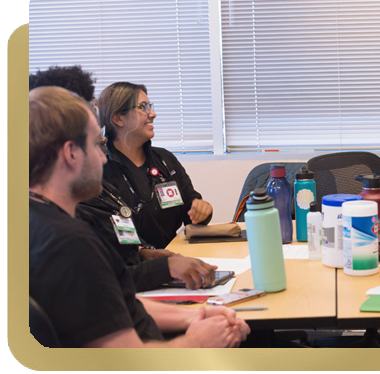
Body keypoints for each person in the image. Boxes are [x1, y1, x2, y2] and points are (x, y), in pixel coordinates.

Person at [29, 86, 250, 348]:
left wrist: (192, 317)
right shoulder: (70, 243)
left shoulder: (32, 220)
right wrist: (196, 342)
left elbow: (118, 302)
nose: (103, 157)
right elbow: (129, 365)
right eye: (97, 145)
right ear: (71, 153)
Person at [29, 66, 217, 291]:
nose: (103, 157)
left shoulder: (163, 160)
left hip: (160, 271)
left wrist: (142, 253)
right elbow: (107, 284)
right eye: (143, 107)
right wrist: (163, 266)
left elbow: (119, 255)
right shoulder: (69, 220)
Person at [97, 81, 213, 249]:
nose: (153, 114)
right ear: (118, 118)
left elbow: (191, 211)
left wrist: (202, 210)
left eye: (150, 106)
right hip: (130, 266)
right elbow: (109, 236)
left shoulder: (164, 159)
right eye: (143, 107)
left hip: (175, 258)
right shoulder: (100, 169)